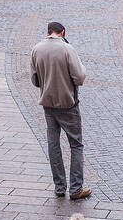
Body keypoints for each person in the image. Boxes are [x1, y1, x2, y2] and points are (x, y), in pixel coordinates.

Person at [30, 21, 90, 200]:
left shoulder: (36, 49)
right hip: (68, 104)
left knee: (53, 144)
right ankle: (76, 188)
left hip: (48, 104)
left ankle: (59, 187)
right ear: (62, 32)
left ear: (48, 32)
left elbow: (35, 80)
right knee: (76, 145)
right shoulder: (67, 49)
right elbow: (79, 77)